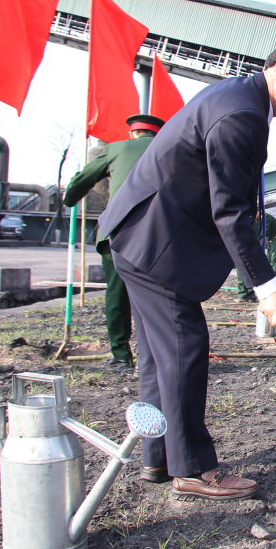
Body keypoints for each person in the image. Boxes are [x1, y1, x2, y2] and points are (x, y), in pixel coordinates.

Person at [98, 33, 276, 500]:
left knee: (159, 358)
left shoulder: (241, 98)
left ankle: (159, 457)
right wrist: (267, 286)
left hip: (142, 235)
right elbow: (229, 210)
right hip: (155, 243)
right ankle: (193, 468)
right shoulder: (241, 115)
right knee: (185, 348)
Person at [63, 114, 165, 369]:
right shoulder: (170, 147)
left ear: (133, 133)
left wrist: (70, 198)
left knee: (117, 293)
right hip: (159, 234)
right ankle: (157, 355)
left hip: (118, 233)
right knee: (159, 294)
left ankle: (121, 354)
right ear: (157, 133)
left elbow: (83, 179)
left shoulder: (116, 148)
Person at [235, 211, 276, 303]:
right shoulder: (254, 219)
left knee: (274, 259)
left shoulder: (266, 218)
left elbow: (261, 232)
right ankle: (251, 293)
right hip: (268, 238)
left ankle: (272, 283)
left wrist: (251, 240)